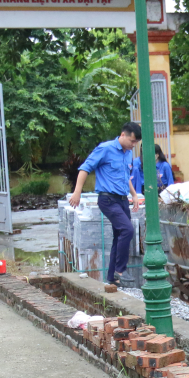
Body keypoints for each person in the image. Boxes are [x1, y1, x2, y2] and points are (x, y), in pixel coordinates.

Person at [69, 122, 141, 285]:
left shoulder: (128, 154)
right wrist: (77, 192)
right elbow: (85, 168)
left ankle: (112, 278)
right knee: (127, 230)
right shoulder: (105, 149)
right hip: (107, 199)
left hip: (123, 200)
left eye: (136, 143)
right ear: (123, 135)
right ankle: (120, 270)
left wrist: (134, 195)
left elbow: (125, 177)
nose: (133, 145)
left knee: (119, 236)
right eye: (132, 141)